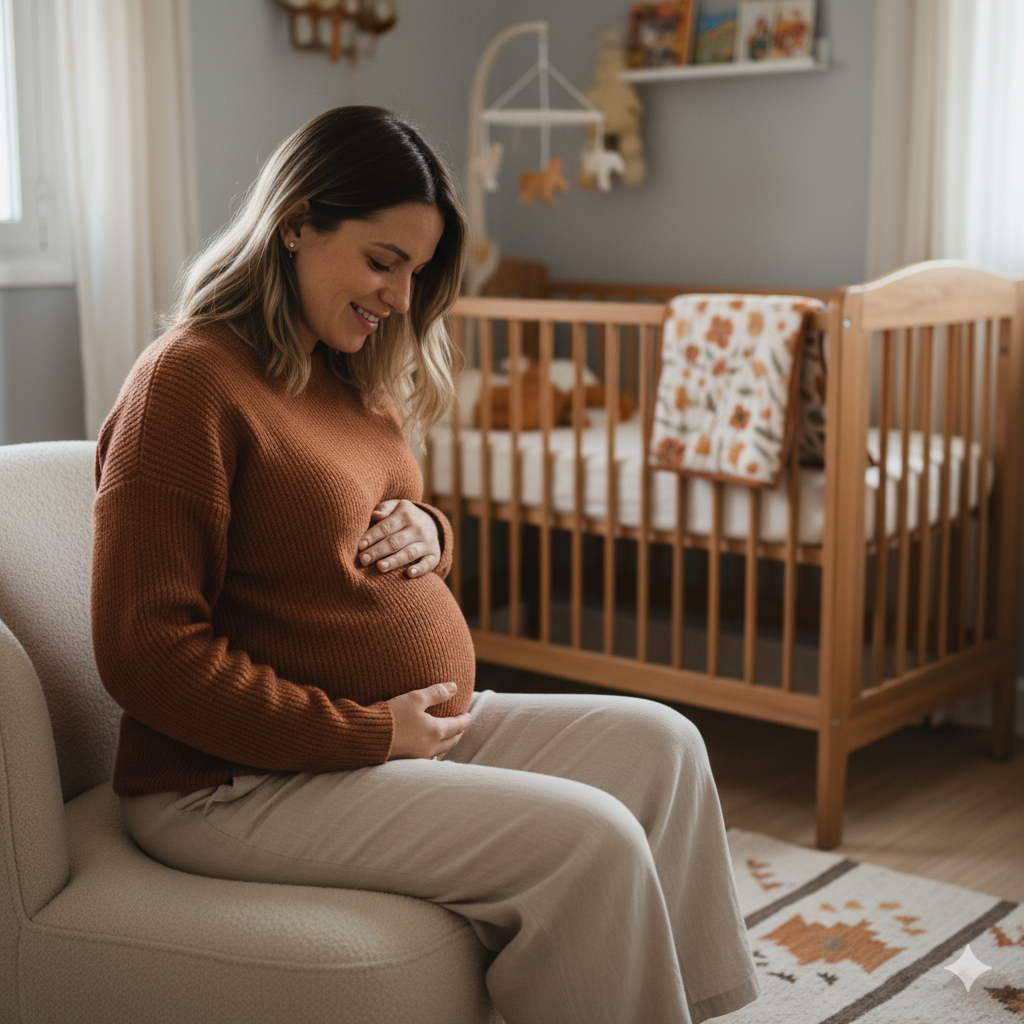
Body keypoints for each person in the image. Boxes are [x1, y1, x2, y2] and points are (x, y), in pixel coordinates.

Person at [91, 105, 758, 1024]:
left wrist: (434, 533)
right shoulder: (188, 381)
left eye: (416, 272)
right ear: (296, 222)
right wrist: (367, 735)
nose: (402, 300)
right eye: (383, 262)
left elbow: (348, 543)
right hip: (232, 782)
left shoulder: (345, 375)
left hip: (388, 734)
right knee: (589, 842)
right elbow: (145, 651)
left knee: (665, 748)